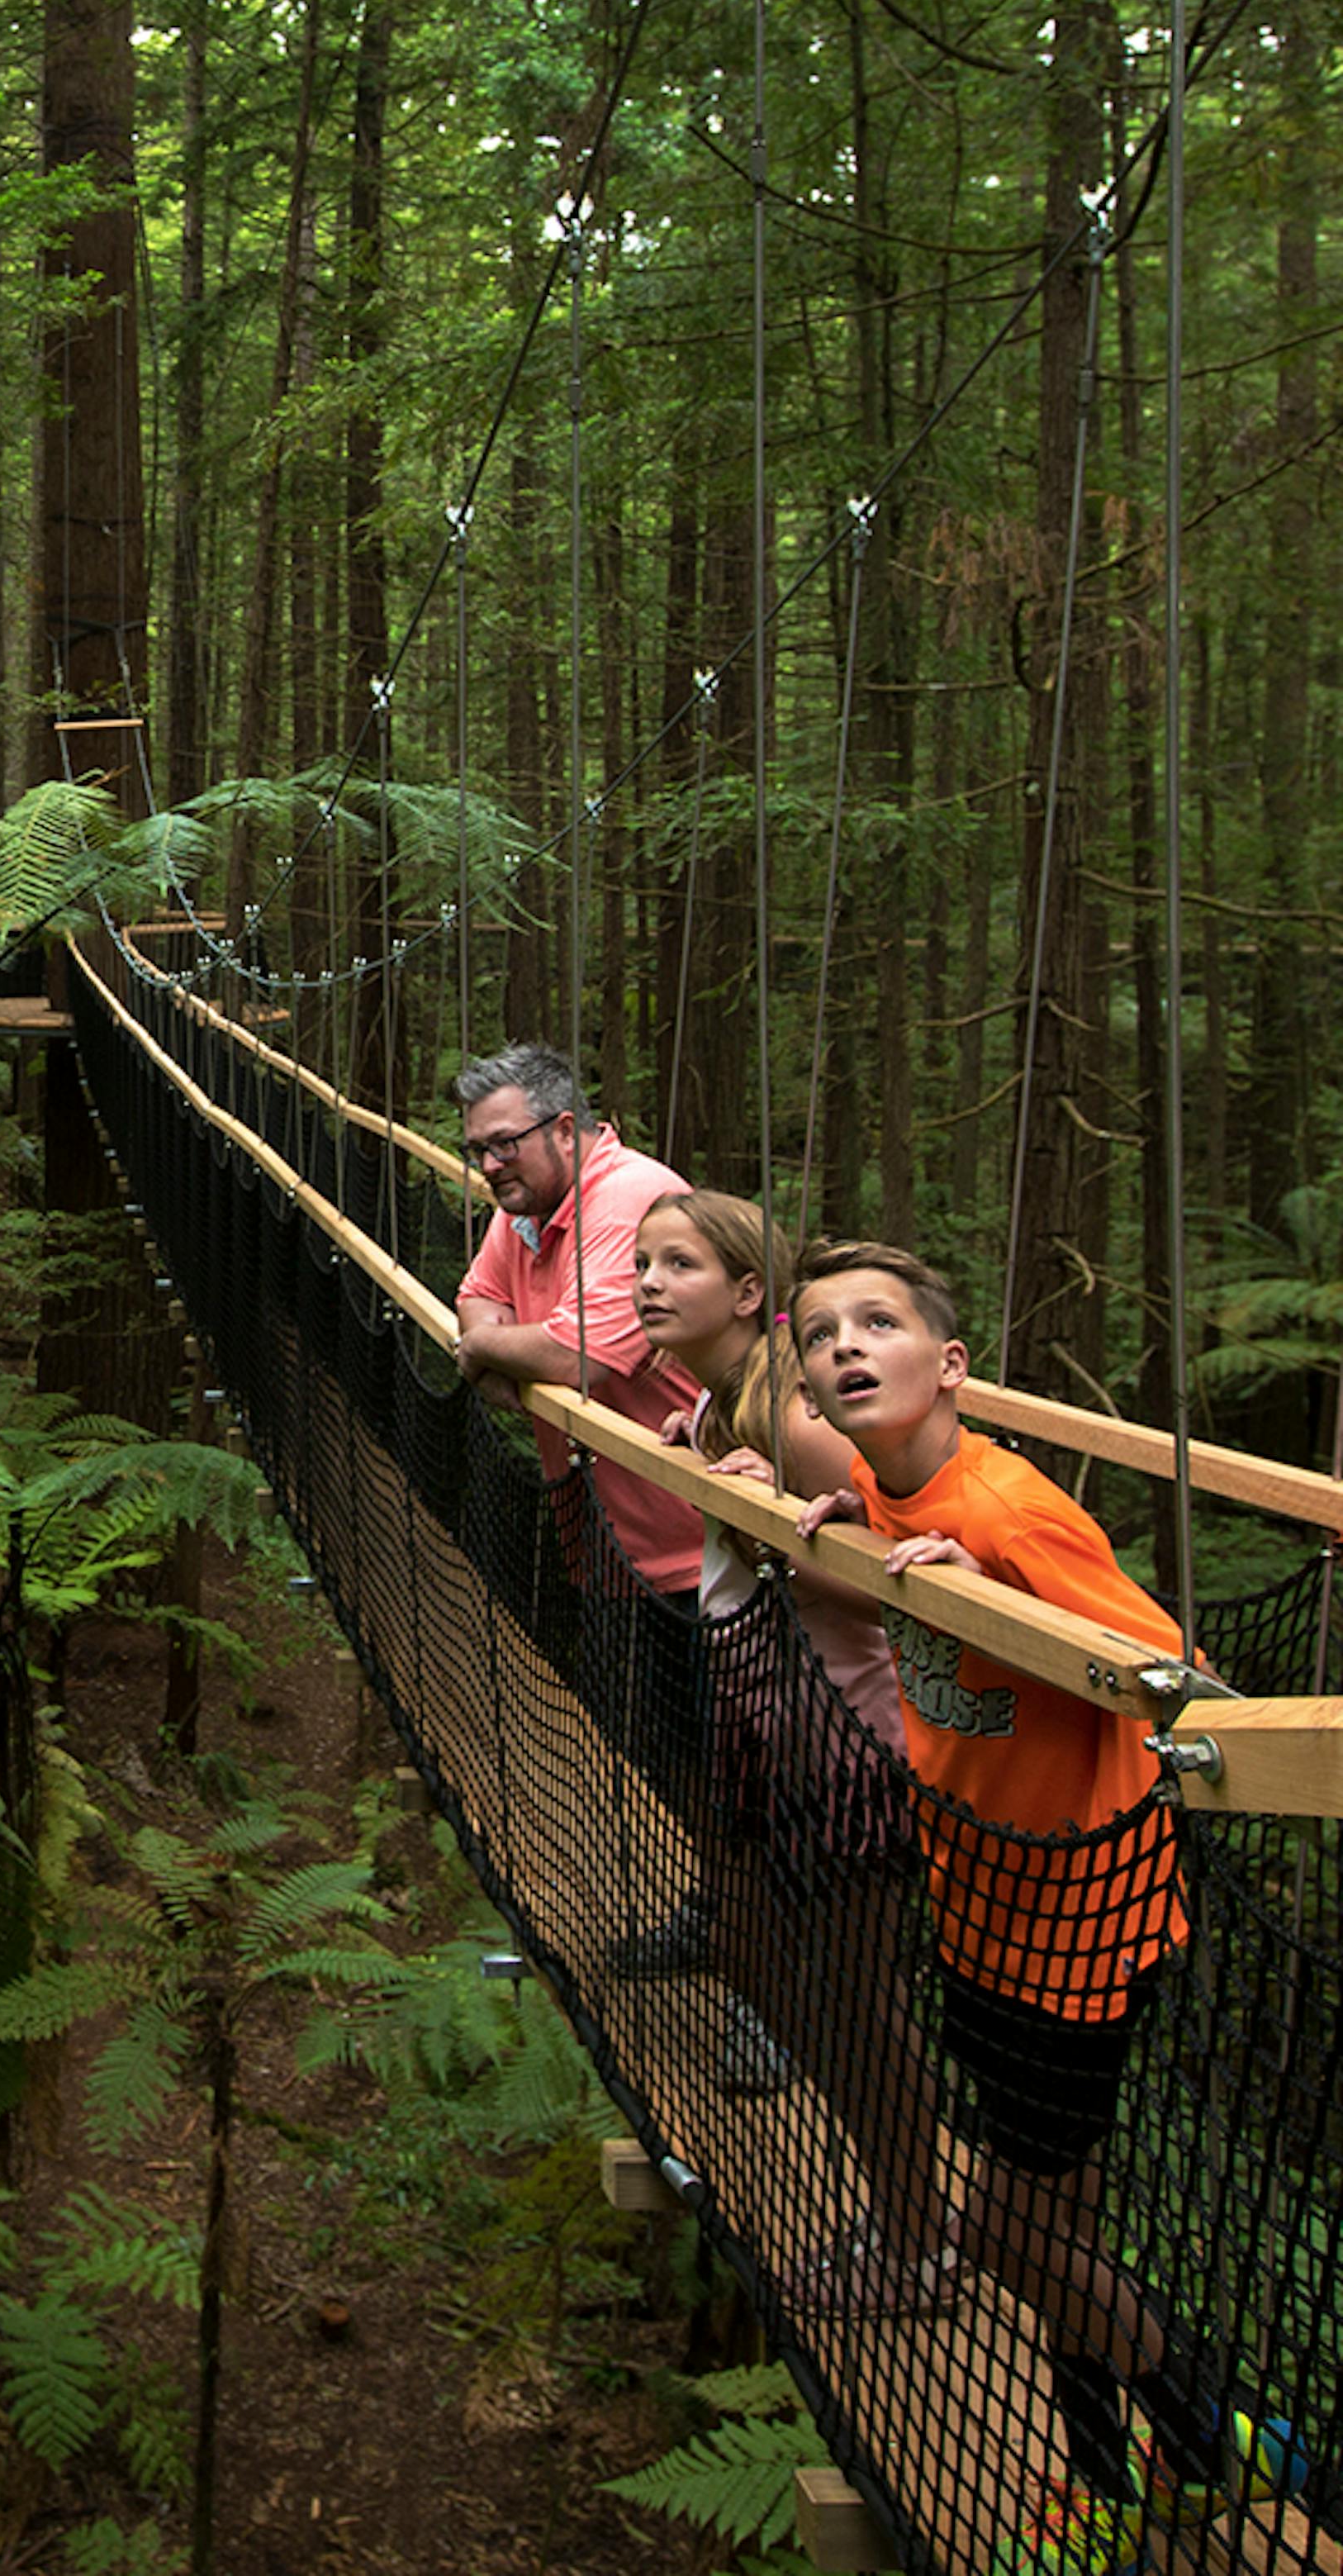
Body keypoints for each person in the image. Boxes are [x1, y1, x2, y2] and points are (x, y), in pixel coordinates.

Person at [791, 1238, 1307, 2576]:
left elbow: (1178, 1674)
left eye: (877, 1323)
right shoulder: (874, 1472)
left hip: (1079, 1925)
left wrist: (1004, 1591)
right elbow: (860, 1491)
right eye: (820, 1333)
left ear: (949, 1365)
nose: (843, 1346)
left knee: (1006, 2231)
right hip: (982, 1905)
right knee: (1060, 2226)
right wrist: (818, 1506)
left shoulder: (1012, 1513)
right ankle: (1113, 2478)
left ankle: (1223, 2429)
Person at [630, 1191, 954, 2301]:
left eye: (680, 1263)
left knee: (860, 2010)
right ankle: (909, 2214)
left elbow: (875, 1569)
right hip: (773, 1726)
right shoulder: (730, 1398)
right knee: (772, 1960)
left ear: (749, 1292)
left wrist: (766, 1508)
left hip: (843, 1739)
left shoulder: (788, 1407)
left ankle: (919, 2238)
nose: (648, 1282)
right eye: (642, 1262)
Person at [453, 1043, 703, 1597]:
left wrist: (482, 1349)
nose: (491, 1165)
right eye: (478, 1150)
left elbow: (579, 1356)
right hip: (609, 1551)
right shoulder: (526, 1207)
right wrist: (497, 1343)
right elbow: (477, 1295)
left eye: (505, 1143)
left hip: (695, 1557)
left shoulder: (631, 1197)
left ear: (565, 1130)